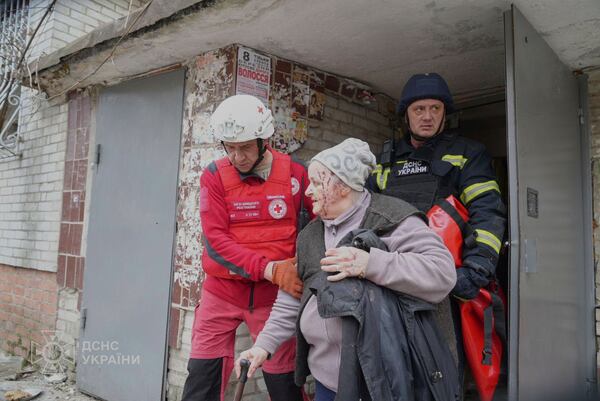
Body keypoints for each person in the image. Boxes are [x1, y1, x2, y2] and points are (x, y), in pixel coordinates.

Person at [235, 138, 458, 401]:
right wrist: (263, 346)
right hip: (327, 383)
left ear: (342, 186)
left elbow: (442, 273)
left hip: (386, 383)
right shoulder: (309, 236)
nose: (308, 192)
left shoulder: (393, 219)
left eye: (317, 183)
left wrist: (370, 264)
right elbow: (293, 298)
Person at [367, 73, 507, 389]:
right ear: (406, 114)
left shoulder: (468, 153)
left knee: (444, 372)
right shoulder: (385, 161)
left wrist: (476, 271)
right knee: (396, 371)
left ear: (445, 113)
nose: (427, 116)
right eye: (419, 109)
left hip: (445, 283)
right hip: (393, 279)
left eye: (435, 108)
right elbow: (367, 214)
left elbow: (488, 213)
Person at [181, 94, 312, 401]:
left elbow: (316, 231)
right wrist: (269, 268)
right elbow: (216, 242)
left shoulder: (296, 173)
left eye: (245, 147)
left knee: (284, 386)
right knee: (201, 380)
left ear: (264, 140)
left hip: (274, 300)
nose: (237, 156)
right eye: (230, 147)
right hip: (221, 292)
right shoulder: (213, 175)